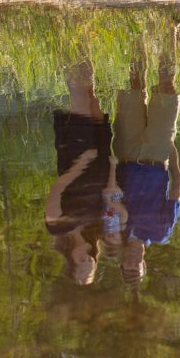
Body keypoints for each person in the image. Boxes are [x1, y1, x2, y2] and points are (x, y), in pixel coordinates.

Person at [114, 24, 180, 287]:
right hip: (157, 155)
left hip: (127, 154)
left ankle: (137, 33)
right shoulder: (160, 232)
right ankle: (169, 32)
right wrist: (173, 155)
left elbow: (108, 193)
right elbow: (176, 191)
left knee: (135, 86)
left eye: (128, 265)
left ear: (122, 261)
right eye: (137, 266)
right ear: (144, 264)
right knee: (167, 89)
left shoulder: (114, 230)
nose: (133, 261)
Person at [45, 56, 113, 285]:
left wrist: (82, 162)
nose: (88, 262)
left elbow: (58, 188)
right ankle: (84, 40)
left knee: (80, 98)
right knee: (92, 96)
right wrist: (111, 167)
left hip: (76, 156)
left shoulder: (56, 227)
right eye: (91, 266)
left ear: (71, 260)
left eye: (81, 265)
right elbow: (110, 199)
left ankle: (73, 46)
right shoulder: (97, 231)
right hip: (100, 160)